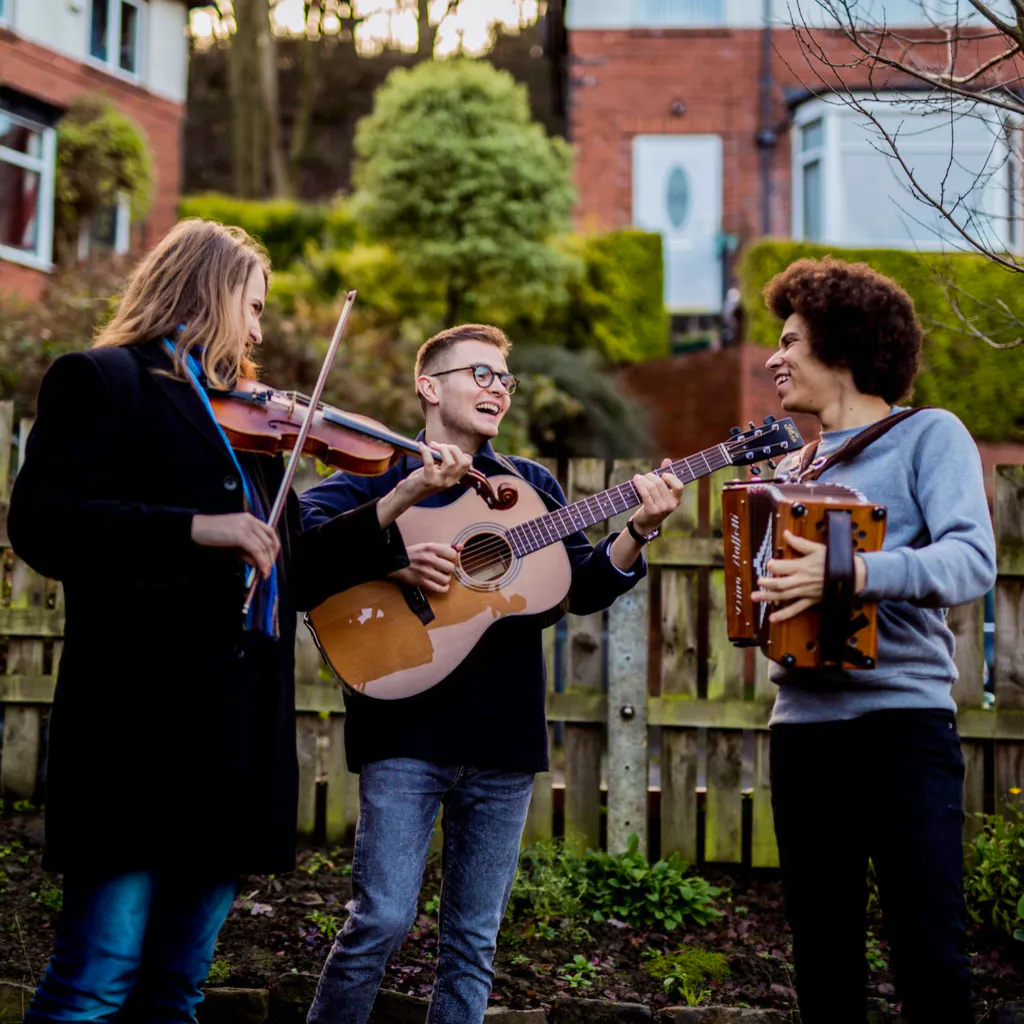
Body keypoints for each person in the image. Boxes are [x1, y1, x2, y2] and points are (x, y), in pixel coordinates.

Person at [8, 219, 471, 1024]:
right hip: (137, 725)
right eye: (253, 307)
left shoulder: (253, 430)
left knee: (177, 991)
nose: (259, 330)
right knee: (95, 983)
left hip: (233, 735)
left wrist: (397, 499)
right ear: (206, 290)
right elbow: (43, 524)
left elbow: (294, 571)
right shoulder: (101, 380)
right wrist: (196, 528)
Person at [299, 323, 684, 1024]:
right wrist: (395, 559)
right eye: (480, 374)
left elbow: (582, 585)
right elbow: (306, 548)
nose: (498, 388)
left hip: (504, 738)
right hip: (404, 728)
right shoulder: (375, 475)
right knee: (381, 919)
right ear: (429, 386)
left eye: (505, 378)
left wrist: (638, 530)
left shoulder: (528, 487)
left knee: (473, 943)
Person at [752, 257, 996, 1024]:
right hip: (802, 732)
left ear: (843, 345)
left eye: (790, 341)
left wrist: (852, 572)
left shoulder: (930, 435)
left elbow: (971, 560)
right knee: (822, 956)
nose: (774, 359)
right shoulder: (791, 467)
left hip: (903, 728)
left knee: (929, 953)